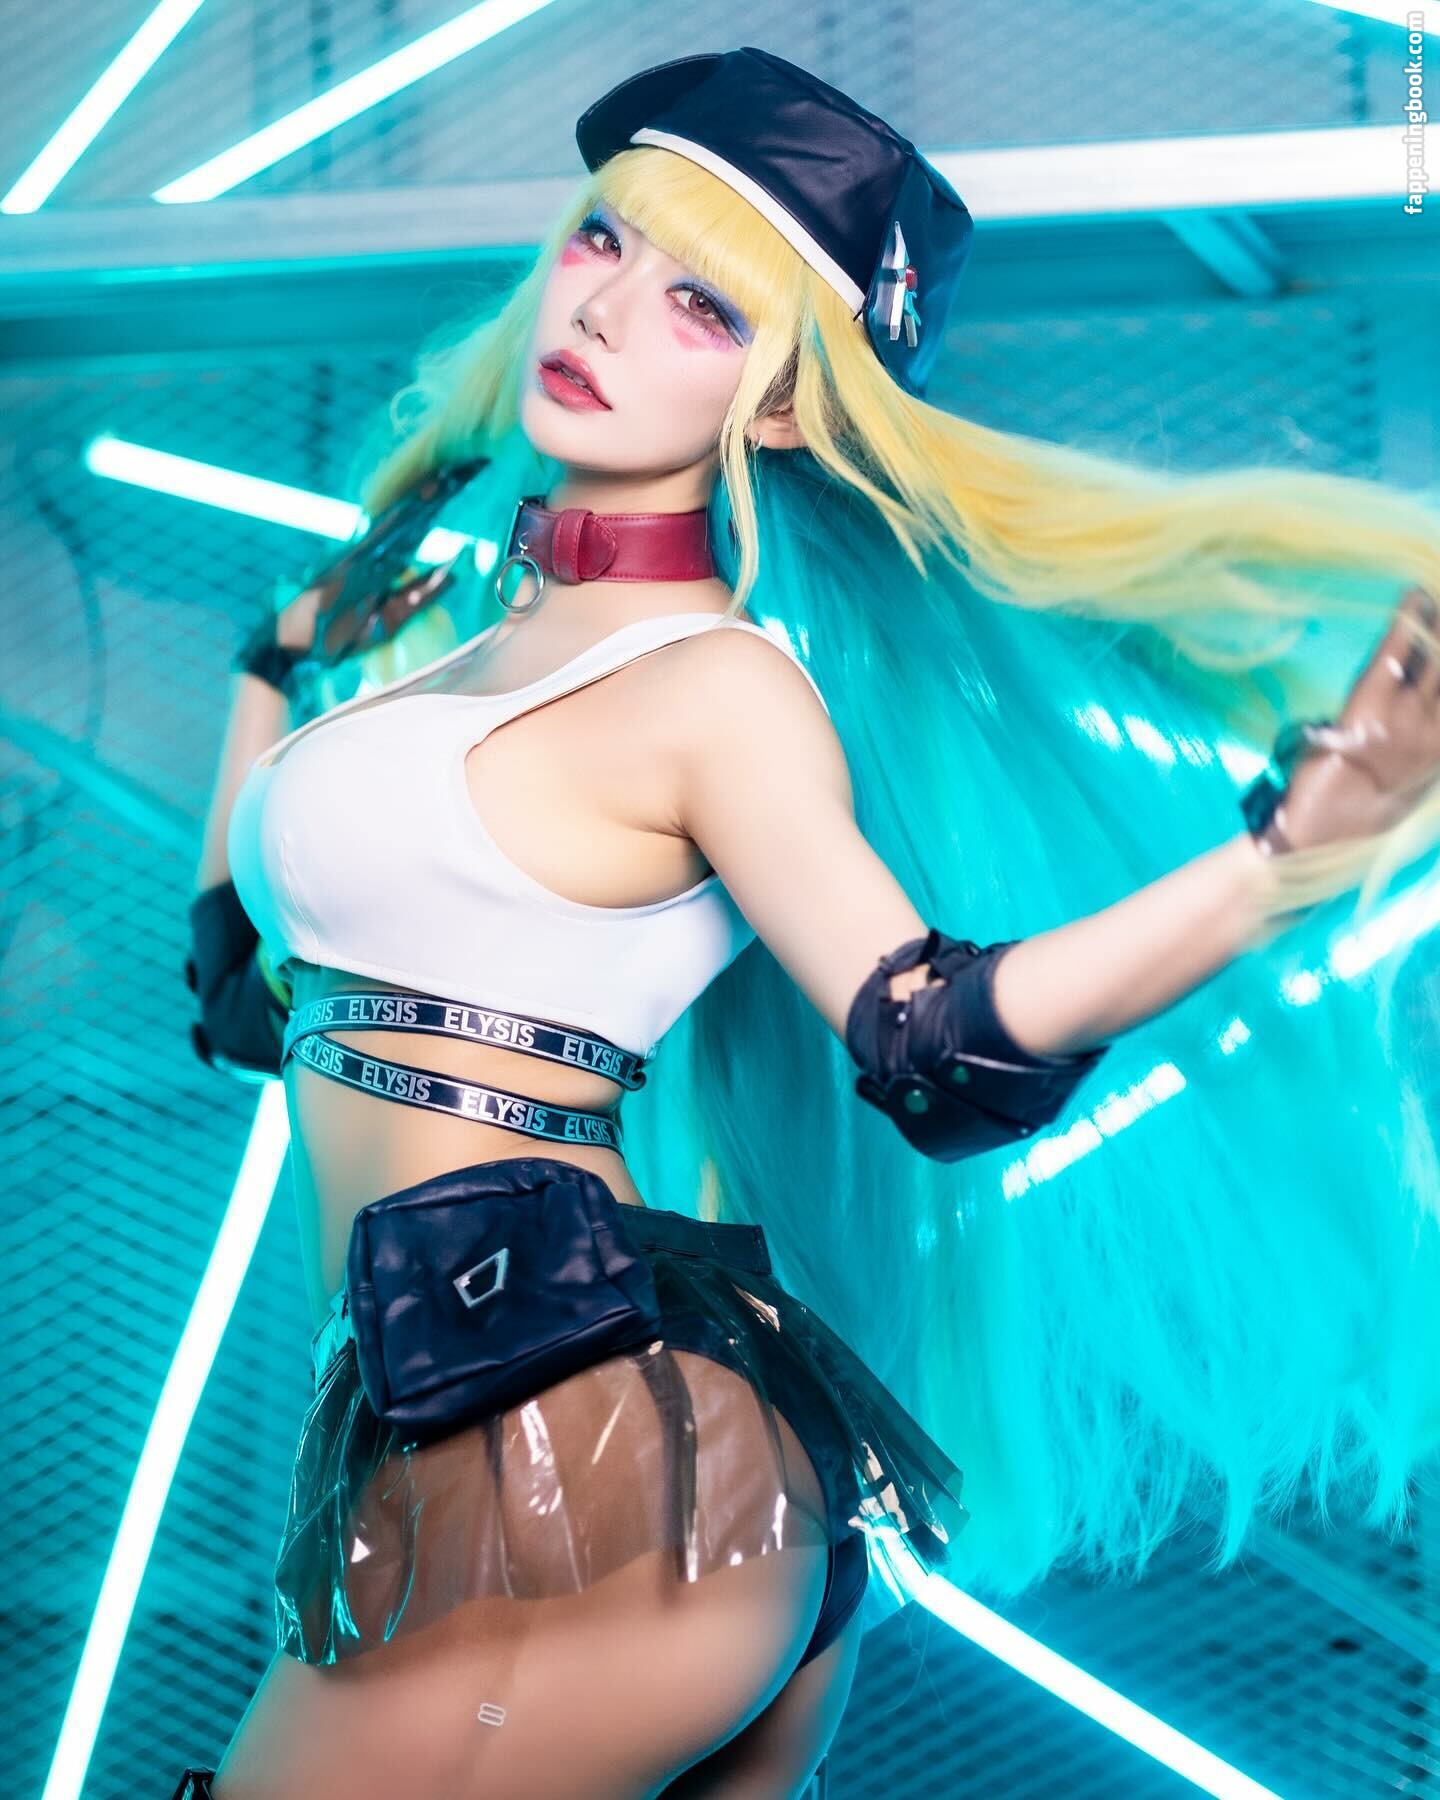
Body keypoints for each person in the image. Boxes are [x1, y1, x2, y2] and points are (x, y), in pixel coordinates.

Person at [172, 47, 1440, 1800]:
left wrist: (1281, 856)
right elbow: (247, 999)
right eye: (604, 239)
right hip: (478, 1418)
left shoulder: (716, 687)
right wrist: (271, 664)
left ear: (779, 405)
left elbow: (939, 1045)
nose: (604, 308)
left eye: (701, 304)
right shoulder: (451, 664)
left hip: (575, 1441)